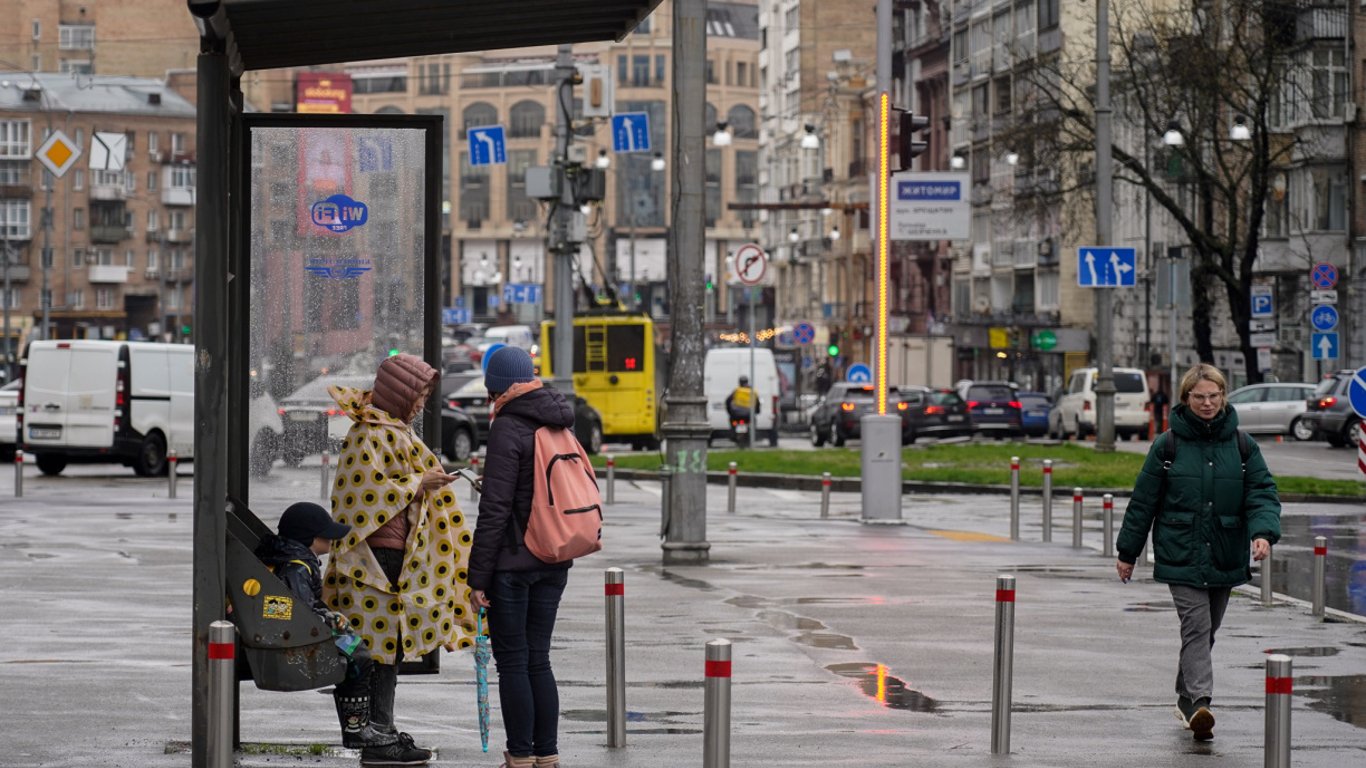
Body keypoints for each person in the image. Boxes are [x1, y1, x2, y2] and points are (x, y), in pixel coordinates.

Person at [323, 353, 476, 766]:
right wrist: (419, 482)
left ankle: (383, 732)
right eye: (419, 394)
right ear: (399, 393)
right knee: (377, 652)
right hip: (375, 563)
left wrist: (423, 484)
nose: (422, 403)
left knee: (386, 651)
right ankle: (378, 738)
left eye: (426, 395)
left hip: (396, 560)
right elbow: (357, 500)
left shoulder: (394, 431)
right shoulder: (368, 434)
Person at [1115, 363, 1281, 742]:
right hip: (1180, 551)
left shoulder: (1242, 445)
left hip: (1225, 550)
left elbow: (1262, 493)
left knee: (1208, 631)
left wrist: (1263, 533)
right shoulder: (1168, 445)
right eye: (1199, 396)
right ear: (1186, 398)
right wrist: (1128, 552)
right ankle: (1202, 701)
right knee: (1197, 625)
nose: (1207, 403)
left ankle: (1186, 697)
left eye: (1214, 396)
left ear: (1223, 396)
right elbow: (1143, 502)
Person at [468, 345, 575, 768]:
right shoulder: (558, 422)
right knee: (538, 659)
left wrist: (477, 578)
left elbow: (494, 511)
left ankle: (519, 757)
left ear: (496, 386)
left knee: (512, 661)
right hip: (554, 556)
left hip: (513, 564)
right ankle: (546, 756)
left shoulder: (508, 428)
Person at [255, 502, 396, 753]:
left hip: (299, 631)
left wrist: (326, 615)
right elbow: (295, 609)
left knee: (357, 650)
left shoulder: (294, 560)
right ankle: (356, 729)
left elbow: (300, 605)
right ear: (310, 537)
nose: (331, 539)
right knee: (359, 655)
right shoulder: (297, 566)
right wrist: (326, 621)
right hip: (296, 638)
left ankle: (358, 727)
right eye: (326, 534)